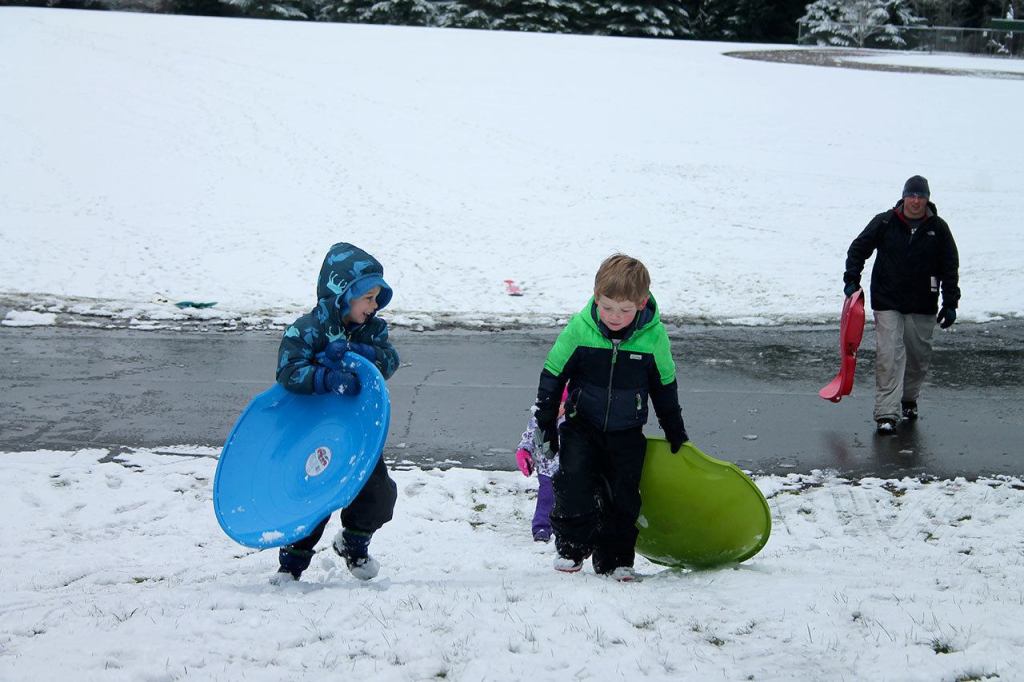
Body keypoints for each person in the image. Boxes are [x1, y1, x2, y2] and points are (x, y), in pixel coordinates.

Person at [532, 253, 688, 581]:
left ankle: (614, 558)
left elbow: (664, 385)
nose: (615, 317)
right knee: (572, 482)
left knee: (624, 497)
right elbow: (553, 373)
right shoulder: (581, 329)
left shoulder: (653, 338)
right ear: (595, 296)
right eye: (607, 307)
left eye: (625, 310)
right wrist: (546, 421)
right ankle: (572, 546)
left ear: (642, 303)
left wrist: (674, 428)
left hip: (627, 431)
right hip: (581, 425)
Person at [270, 242, 400, 583]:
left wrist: (364, 353)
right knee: (314, 496)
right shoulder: (307, 329)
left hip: (357, 431)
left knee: (378, 494)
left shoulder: (372, 330)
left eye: (377, 298)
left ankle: (354, 545)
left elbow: (390, 361)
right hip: (314, 431)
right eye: (368, 298)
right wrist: (324, 377)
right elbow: (288, 371)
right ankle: (292, 565)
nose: (374, 306)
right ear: (344, 294)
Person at [844, 175, 960, 434]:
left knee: (917, 358)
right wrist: (851, 278)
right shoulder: (885, 222)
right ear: (904, 196)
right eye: (912, 195)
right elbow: (858, 248)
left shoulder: (938, 228)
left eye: (921, 196)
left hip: (923, 303)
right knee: (889, 355)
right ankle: (886, 412)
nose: (916, 201)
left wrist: (950, 302)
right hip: (888, 300)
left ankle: (908, 398)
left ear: (927, 199)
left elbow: (949, 267)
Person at [514, 388, 567, 543]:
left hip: (569, 468)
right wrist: (524, 451)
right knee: (546, 499)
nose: (556, 409)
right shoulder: (539, 421)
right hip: (546, 469)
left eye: (560, 405)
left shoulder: (572, 422)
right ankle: (542, 526)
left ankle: (566, 527)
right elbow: (529, 437)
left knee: (569, 500)